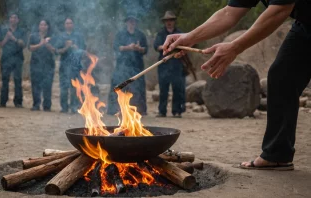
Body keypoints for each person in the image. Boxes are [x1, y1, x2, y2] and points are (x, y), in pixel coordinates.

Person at [163, 0, 311, 170]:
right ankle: (277, 155)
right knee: (282, 77)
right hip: (305, 25)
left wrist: (235, 46)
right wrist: (189, 38)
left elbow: (280, 9)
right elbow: (229, 12)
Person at [107, 15, 148, 116]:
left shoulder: (141, 35)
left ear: (136, 23)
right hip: (122, 64)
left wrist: (139, 48)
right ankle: (114, 109)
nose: (132, 23)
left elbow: (145, 49)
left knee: (138, 87)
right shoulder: (120, 34)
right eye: (130, 21)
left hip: (137, 65)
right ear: (127, 22)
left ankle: (139, 110)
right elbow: (116, 47)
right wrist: (128, 47)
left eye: (133, 21)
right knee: (118, 85)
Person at [154, 11, 186, 118]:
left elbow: (185, 46)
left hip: (177, 65)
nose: (169, 22)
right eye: (167, 20)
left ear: (174, 21)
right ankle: (162, 111)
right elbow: (156, 46)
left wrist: (177, 48)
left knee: (177, 88)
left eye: (171, 20)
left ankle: (177, 111)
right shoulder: (160, 33)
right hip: (164, 64)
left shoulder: (179, 33)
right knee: (163, 89)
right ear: (164, 22)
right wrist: (166, 47)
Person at [56, 17, 86, 113]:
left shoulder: (79, 36)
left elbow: (83, 51)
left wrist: (76, 48)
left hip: (75, 66)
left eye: (70, 23)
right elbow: (58, 51)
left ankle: (74, 107)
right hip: (64, 65)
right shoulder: (61, 36)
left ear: (73, 25)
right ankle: (64, 107)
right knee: (64, 87)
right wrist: (66, 47)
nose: (68, 25)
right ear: (64, 25)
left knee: (75, 87)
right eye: (67, 23)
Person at [28, 19, 56, 112]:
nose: (43, 26)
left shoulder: (52, 37)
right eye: (41, 24)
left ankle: (47, 106)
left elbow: (54, 51)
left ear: (48, 26)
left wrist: (47, 44)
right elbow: (30, 48)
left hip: (48, 64)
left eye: (45, 25)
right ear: (39, 26)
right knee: (35, 85)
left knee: (47, 85)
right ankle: (36, 104)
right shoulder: (33, 36)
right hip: (35, 63)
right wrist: (40, 44)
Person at [0, 13, 26, 108]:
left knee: (18, 80)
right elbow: (1, 44)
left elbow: (23, 45)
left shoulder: (22, 31)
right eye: (11, 17)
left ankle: (18, 102)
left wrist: (13, 38)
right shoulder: (3, 31)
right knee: (5, 79)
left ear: (18, 20)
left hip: (18, 58)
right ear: (9, 20)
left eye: (15, 18)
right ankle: (3, 101)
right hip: (6, 58)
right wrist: (7, 37)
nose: (13, 19)